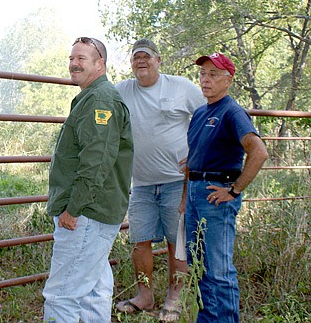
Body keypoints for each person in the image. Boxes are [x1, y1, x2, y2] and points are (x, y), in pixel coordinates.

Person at [43, 37, 134, 323]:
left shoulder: (100, 99)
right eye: (72, 58)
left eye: (82, 58)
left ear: (100, 64)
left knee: (61, 296)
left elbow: (96, 161)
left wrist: (74, 208)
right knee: (94, 290)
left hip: (86, 213)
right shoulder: (94, 96)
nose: (74, 64)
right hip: (97, 212)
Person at [115, 39, 206, 321]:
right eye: (136, 57)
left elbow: (207, 115)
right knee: (139, 240)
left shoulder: (180, 87)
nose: (141, 61)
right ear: (131, 64)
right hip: (140, 182)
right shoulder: (122, 90)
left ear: (159, 60)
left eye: (147, 57)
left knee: (175, 241)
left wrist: (198, 154)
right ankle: (145, 295)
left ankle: (175, 298)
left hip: (176, 182)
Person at [185, 53, 268, 323]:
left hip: (216, 195)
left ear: (228, 80)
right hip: (196, 191)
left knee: (219, 269)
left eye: (213, 74)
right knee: (198, 265)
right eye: (202, 74)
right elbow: (201, 153)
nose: (205, 79)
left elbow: (259, 152)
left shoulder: (232, 112)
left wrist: (233, 191)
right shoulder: (200, 112)